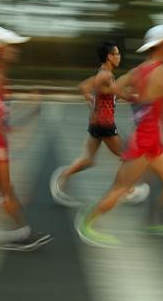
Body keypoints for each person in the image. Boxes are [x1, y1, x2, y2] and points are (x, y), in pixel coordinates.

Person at [76, 25, 163, 247]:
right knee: (120, 188)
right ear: (161, 45)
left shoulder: (136, 72)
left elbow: (106, 87)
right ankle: (87, 223)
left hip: (151, 140)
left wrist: (128, 96)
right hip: (145, 142)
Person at [0, 23, 51, 251]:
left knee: (0, 192)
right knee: (6, 191)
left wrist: (15, 123)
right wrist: (5, 138)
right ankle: (21, 233)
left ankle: (13, 231)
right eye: (8, 45)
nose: (14, 49)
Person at [50, 41, 149, 207]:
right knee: (129, 155)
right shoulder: (106, 76)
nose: (119, 57)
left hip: (97, 123)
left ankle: (61, 178)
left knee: (88, 160)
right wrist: (137, 98)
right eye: (117, 54)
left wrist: (93, 105)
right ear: (110, 56)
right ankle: (127, 191)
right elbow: (118, 92)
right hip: (105, 125)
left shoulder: (102, 73)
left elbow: (83, 87)